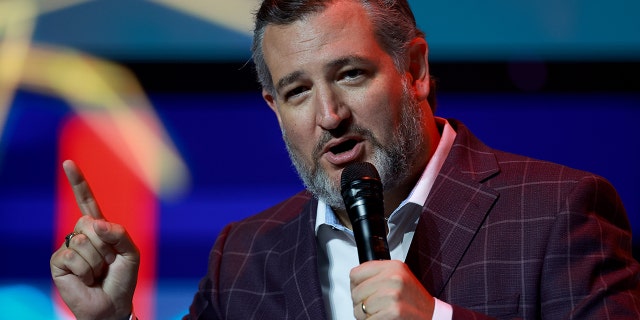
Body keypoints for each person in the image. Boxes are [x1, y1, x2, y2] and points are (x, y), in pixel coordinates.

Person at [50, 0, 640, 319]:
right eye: (297, 91)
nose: (329, 115)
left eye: (351, 74)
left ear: (415, 69)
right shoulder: (246, 253)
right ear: (273, 106)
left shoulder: (560, 211)